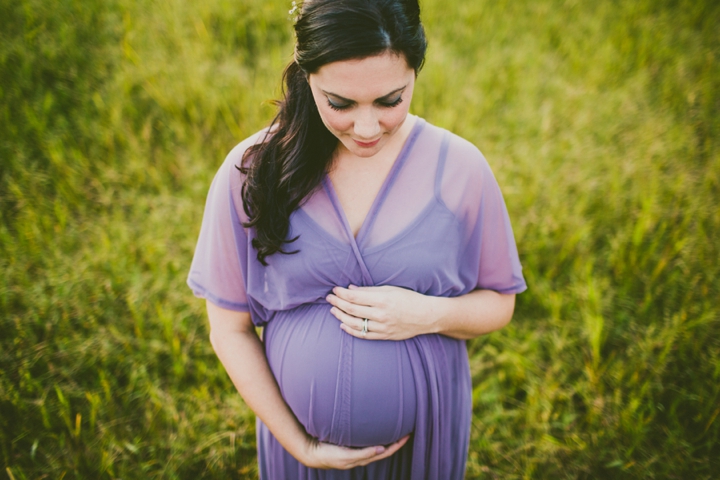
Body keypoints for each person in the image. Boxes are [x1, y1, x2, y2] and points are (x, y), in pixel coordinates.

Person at [187, 0, 527, 478]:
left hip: (423, 438)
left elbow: (500, 301)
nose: (367, 128)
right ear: (307, 78)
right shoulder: (253, 171)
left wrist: (430, 315)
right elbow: (228, 328)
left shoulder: (460, 169)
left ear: (416, 71)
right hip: (299, 453)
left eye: (391, 100)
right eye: (340, 103)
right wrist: (300, 445)